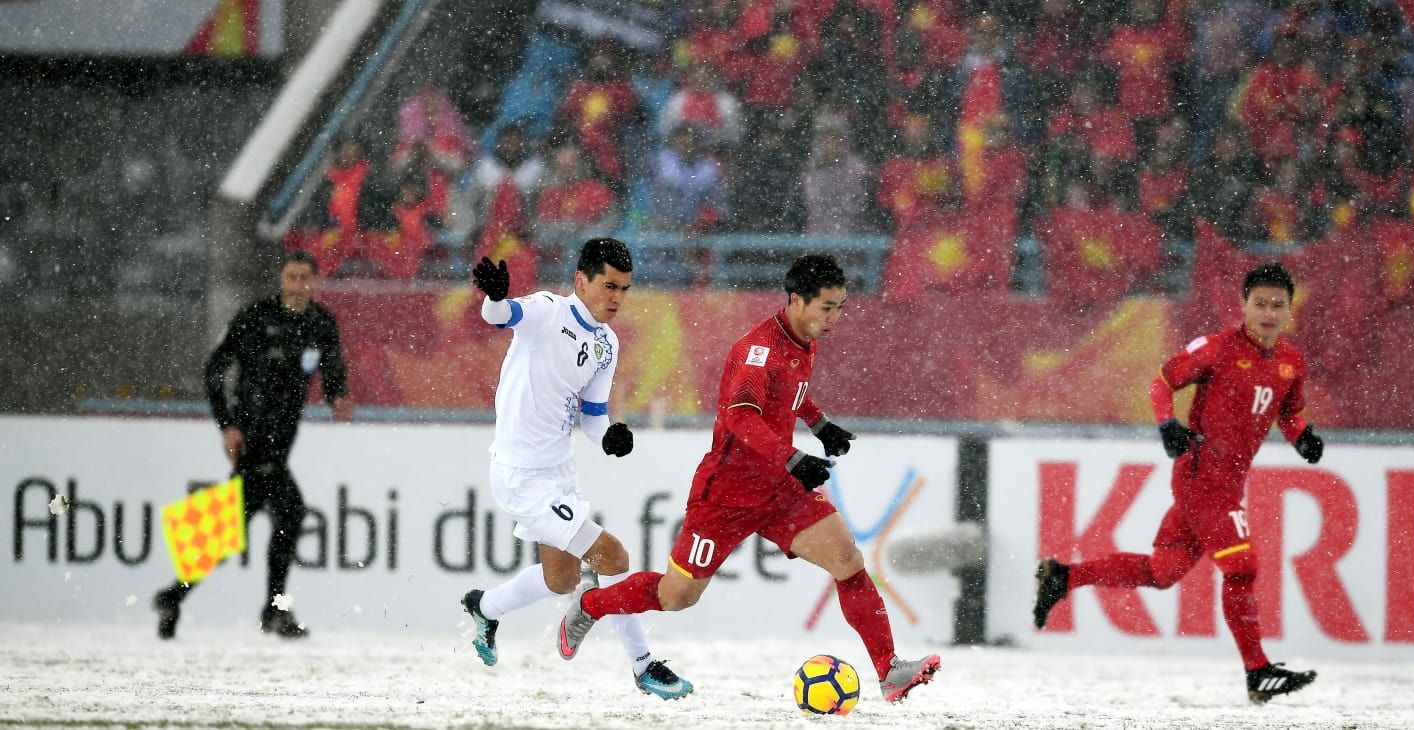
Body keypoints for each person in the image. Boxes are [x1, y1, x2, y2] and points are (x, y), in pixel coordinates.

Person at [553, 254, 943, 703]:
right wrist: (794, 457)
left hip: (779, 490)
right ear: (797, 300)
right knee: (677, 595)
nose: (835, 317)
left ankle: (889, 671)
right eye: (827, 307)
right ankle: (588, 606)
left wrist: (818, 423)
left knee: (846, 558)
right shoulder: (756, 350)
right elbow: (740, 418)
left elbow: (789, 391)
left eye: (841, 307)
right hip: (727, 495)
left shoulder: (804, 338)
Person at [1032, 262, 1324, 705]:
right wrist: (1167, 424)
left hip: (1227, 483)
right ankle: (1257, 670)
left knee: (1162, 571)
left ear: (1289, 310)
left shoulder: (1290, 361)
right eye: (1259, 303)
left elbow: (1288, 411)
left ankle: (1064, 577)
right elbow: (1162, 382)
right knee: (1242, 567)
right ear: (1243, 305)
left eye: (1277, 305)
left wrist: (1302, 437)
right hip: (1202, 478)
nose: (1267, 312)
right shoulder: (1218, 348)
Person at [460, 238, 694, 701]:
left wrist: (608, 435)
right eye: (609, 286)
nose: (617, 298)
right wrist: (495, 298)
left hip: (558, 471)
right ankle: (644, 667)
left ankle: (483, 608)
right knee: (614, 558)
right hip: (520, 474)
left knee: (560, 580)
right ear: (580, 281)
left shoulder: (607, 344)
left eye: (625, 289)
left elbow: (592, 415)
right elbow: (500, 317)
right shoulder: (548, 310)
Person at [154, 250, 352, 639]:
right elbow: (216, 369)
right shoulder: (256, 318)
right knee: (290, 515)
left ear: (314, 283)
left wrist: (337, 396)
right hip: (254, 438)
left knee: (233, 528)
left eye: (304, 279)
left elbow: (332, 367)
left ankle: (174, 596)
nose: (297, 286)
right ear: (282, 279)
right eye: (291, 278)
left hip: (282, 441)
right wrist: (227, 425)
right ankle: (272, 610)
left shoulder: (320, 323)